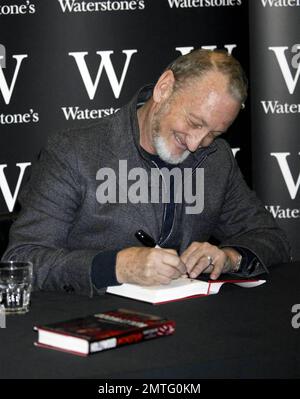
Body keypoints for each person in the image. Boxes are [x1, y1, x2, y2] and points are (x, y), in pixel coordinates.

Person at [2, 49, 290, 296]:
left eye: (213, 133)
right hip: (90, 323)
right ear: (164, 88)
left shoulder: (216, 158)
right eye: (193, 122)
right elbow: (23, 259)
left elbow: (270, 237)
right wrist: (116, 266)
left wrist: (229, 257)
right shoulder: (73, 152)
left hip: (194, 328)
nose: (195, 143)